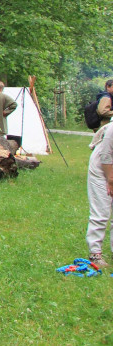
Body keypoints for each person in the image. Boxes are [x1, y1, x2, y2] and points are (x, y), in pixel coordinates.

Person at [86, 102, 113, 268]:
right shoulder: (112, 130)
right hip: (101, 167)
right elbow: (106, 155)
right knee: (101, 211)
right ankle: (95, 253)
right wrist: (110, 180)